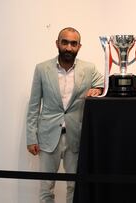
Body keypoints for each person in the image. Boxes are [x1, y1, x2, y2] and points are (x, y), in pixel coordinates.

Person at [26, 27, 104, 203]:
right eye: (65, 42)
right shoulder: (42, 69)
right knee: (46, 188)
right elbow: (33, 105)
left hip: (75, 137)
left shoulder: (89, 68)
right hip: (47, 137)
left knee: (75, 187)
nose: (69, 47)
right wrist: (31, 137)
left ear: (79, 46)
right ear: (57, 44)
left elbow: (104, 85)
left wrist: (97, 89)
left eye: (73, 43)